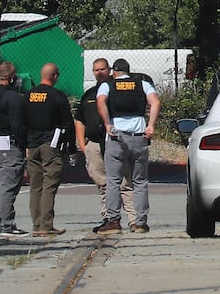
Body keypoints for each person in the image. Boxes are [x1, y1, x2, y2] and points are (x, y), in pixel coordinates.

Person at [94, 58, 160, 234]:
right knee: (139, 181)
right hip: (139, 137)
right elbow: (155, 102)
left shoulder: (108, 85)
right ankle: (140, 222)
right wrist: (151, 125)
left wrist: (108, 124)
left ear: (114, 72)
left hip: (117, 137)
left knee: (113, 181)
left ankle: (114, 221)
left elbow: (100, 102)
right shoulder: (142, 84)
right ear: (128, 71)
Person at [76, 58, 135, 228]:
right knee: (102, 183)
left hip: (116, 142)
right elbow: (79, 119)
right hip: (94, 143)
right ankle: (109, 218)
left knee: (124, 182)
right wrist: (83, 145)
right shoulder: (89, 94)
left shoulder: (117, 90)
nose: (99, 72)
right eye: (96, 70)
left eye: (102, 69)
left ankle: (133, 220)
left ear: (109, 70)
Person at [23, 63, 75, 237]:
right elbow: (67, 123)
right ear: (55, 76)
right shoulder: (57, 96)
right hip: (50, 145)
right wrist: (71, 147)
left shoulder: (28, 95)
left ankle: (36, 225)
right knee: (50, 185)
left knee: (35, 186)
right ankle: (46, 225)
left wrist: (25, 144)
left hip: (31, 145)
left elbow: (21, 121)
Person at [0, 61, 27, 238]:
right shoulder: (11, 96)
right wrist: (23, 145)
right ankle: (7, 225)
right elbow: (17, 124)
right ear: (9, 77)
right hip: (8, 144)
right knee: (8, 186)